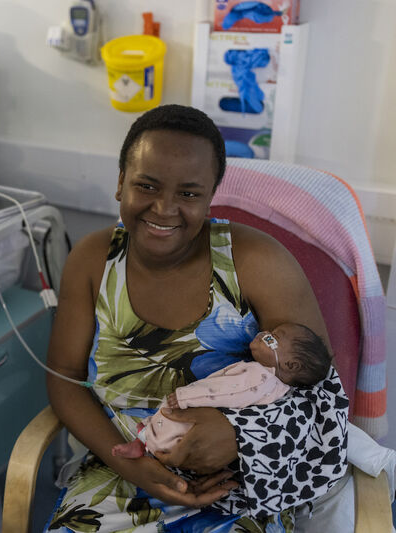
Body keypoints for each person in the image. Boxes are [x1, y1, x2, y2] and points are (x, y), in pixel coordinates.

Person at [45, 105, 349, 531]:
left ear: (211, 194)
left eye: (188, 193)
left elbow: (322, 394)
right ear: (120, 183)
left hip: (238, 487)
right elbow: (63, 374)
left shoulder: (257, 262)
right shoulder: (93, 260)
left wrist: (240, 434)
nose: (164, 209)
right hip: (120, 474)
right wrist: (130, 465)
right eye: (146, 186)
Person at [112, 323, 332, 459]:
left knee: (169, 425)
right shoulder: (278, 391)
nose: (263, 333)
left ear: (291, 365)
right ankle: (143, 443)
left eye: (271, 337)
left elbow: (223, 392)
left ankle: (144, 444)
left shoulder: (260, 376)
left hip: (201, 415)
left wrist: (184, 397)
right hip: (216, 433)